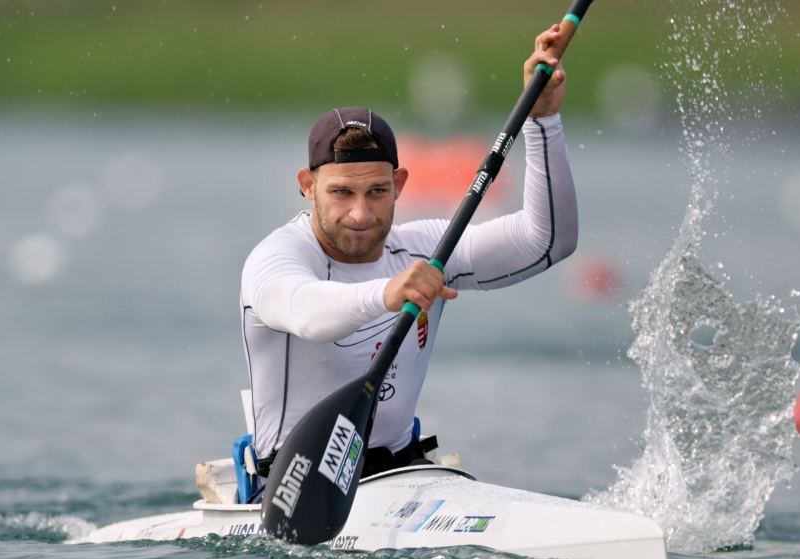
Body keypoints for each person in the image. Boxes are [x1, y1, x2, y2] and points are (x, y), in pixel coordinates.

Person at [240, 25, 577, 481]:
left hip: (404, 477)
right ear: (306, 185)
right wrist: (387, 293)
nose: (360, 213)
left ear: (399, 184)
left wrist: (542, 122)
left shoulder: (428, 250)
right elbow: (306, 315)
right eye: (341, 193)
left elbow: (548, 241)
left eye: (377, 191)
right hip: (293, 489)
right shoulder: (277, 256)